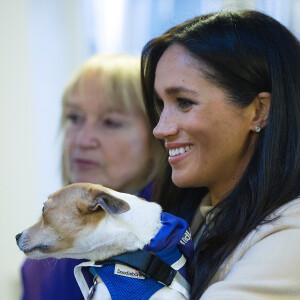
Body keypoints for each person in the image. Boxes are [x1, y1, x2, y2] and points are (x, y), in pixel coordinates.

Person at [141, 10, 300, 299]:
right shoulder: (196, 219)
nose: (160, 129)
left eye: (184, 102)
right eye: (161, 104)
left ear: (259, 111)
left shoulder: (292, 236)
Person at [21, 54, 163, 300]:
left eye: (111, 122)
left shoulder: (173, 232)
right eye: (74, 118)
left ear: (157, 134)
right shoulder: (45, 242)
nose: (82, 140)